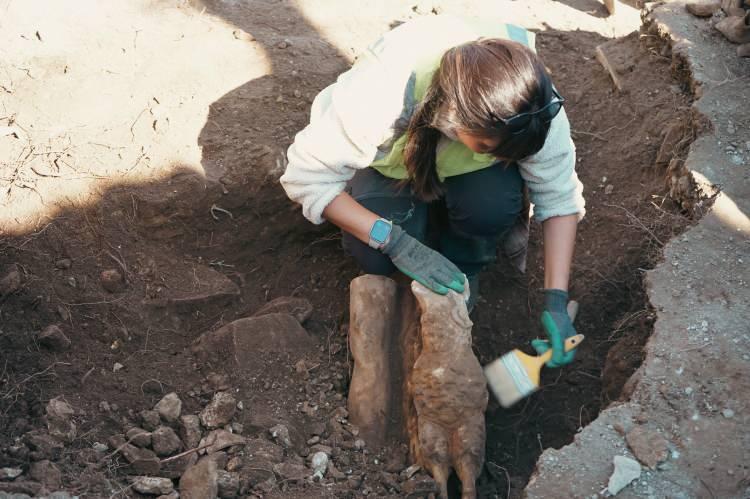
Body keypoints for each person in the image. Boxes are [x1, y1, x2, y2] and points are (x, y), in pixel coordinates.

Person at [280, 15, 585, 367]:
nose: (506, 158)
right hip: (395, 168)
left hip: (466, 170)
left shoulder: (531, 105)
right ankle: (406, 269)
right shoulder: (380, 95)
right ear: (457, 119)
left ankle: (464, 267)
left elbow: (559, 197)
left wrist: (556, 300)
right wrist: (395, 242)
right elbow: (305, 177)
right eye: (490, 146)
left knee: (492, 207)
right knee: (373, 254)